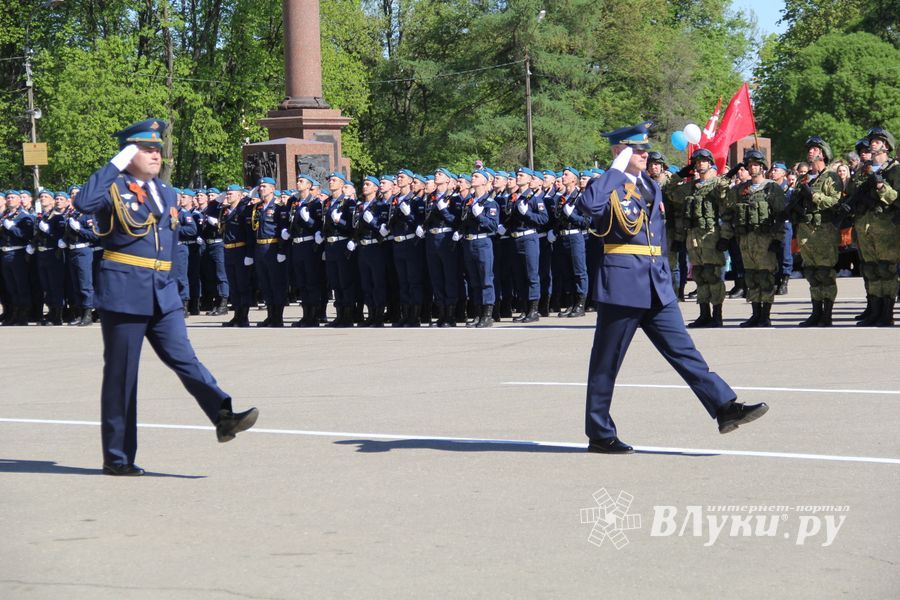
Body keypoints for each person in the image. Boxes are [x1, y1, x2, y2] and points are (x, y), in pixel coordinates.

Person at [74, 118, 258, 475]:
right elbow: (83, 203)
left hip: (162, 291)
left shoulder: (167, 192)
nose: (156, 154)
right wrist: (115, 164)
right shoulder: (112, 188)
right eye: (146, 148)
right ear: (128, 152)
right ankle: (118, 457)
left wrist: (173, 284)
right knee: (121, 376)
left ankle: (222, 415)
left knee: (185, 358)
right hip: (126, 290)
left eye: (158, 148)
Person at [576, 121, 768, 453]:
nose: (644, 154)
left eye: (645, 148)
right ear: (620, 151)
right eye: (636, 149)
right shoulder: (606, 184)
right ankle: (599, 431)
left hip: (656, 284)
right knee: (606, 362)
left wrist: (666, 275)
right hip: (622, 284)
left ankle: (724, 407)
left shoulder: (651, 186)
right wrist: (614, 170)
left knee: (685, 351)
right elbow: (587, 208)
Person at [720, 149, 786, 327]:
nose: (752, 167)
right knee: (751, 277)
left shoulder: (772, 188)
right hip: (746, 240)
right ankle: (755, 313)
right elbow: (728, 213)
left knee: (766, 277)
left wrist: (777, 240)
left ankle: (765, 315)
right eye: (749, 165)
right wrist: (725, 237)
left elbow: (781, 216)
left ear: (763, 167)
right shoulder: (740, 190)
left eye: (756, 164)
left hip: (765, 240)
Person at [791, 136, 843, 327]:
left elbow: (835, 201)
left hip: (824, 230)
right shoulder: (803, 178)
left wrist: (813, 195)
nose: (810, 152)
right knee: (811, 272)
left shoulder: (831, 177)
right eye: (809, 149)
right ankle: (816, 312)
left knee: (825, 272)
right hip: (805, 230)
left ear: (822, 152)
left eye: (814, 149)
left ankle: (827, 314)